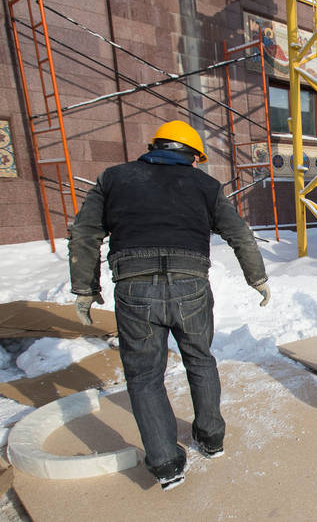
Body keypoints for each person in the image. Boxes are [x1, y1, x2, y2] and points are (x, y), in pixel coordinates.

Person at [68, 120, 271, 490]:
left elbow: (84, 232)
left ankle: (165, 463)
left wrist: (84, 287)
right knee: (200, 358)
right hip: (191, 285)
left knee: (145, 376)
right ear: (193, 157)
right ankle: (211, 439)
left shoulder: (114, 178)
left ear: (154, 147)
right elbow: (238, 233)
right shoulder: (206, 186)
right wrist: (257, 277)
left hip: (134, 287)